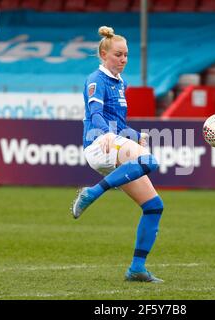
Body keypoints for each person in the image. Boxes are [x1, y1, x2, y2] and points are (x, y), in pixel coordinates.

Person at [71, 26, 164, 283]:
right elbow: (96, 116)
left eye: (126, 55)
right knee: (149, 161)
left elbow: (118, 123)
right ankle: (92, 192)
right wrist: (109, 135)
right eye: (118, 54)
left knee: (154, 206)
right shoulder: (96, 80)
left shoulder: (119, 83)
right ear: (103, 54)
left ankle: (136, 268)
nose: (123, 59)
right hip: (98, 144)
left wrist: (135, 135)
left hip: (113, 142)